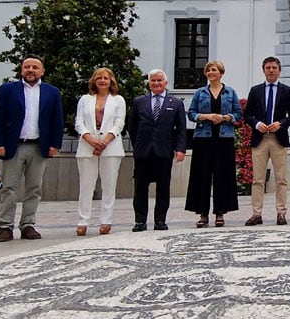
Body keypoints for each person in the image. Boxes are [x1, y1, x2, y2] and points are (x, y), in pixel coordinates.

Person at [0, 55, 64, 242]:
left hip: (39, 146)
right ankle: (5, 227)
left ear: (42, 71)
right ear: (21, 70)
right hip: (13, 146)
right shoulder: (8, 90)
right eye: (27, 67)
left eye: (35, 67)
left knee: (34, 187)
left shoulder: (51, 92)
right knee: (9, 188)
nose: (31, 70)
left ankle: (28, 224)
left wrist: (55, 144)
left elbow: (57, 119)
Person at [185, 60, 243, 228]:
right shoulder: (200, 93)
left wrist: (226, 118)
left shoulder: (230, 92)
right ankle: (202, 213)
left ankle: (220, 212)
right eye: (208, 70)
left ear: (221, 73)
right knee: (202, 175)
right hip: (204, 138)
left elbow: (238, 114)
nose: (211, 73)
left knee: (222, 176)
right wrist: (205, 116)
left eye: (214, 70)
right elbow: (191, 114)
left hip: (224, 138)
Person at [129, 69, 187, 231]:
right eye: (153, 81)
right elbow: (132, 127)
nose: (156, 83)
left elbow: (181, 129)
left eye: (159, 80)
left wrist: (180, 149)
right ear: (149, 83)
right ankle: (140, 221)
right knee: (140, 187)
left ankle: (160, 220)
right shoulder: (139, 102)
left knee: (163, 187)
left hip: (164, 151)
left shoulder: (175, 103)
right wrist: (138, 145)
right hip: (143, 152)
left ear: (166, 83)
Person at [243, 57, 290, 226]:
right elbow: (247, 115)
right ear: (264, 70)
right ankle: (256, 213)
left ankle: (281, 213)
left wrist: (281, 124)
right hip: (260, 139)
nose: (271, 70)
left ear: (279, 70)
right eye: (268, 67)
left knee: (281, 179)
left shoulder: (287, 91)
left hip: (278, 138)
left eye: (274, 67)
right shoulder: (255, 90)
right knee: (257, 179)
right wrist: (257, 124)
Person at [74, 67, 126, 236]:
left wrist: (104, 142)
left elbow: (119, 123)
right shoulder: (85, 99)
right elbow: (79, 122)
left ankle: (106, 220)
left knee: (109, 186)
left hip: (111, 147)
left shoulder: (118, 100)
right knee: (86, 186)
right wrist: (90, 139)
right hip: (87, 146)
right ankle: (83, 220)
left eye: (106, 78)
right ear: (94, 81)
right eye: (99, 78)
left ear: (111, 81)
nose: (102, 81)